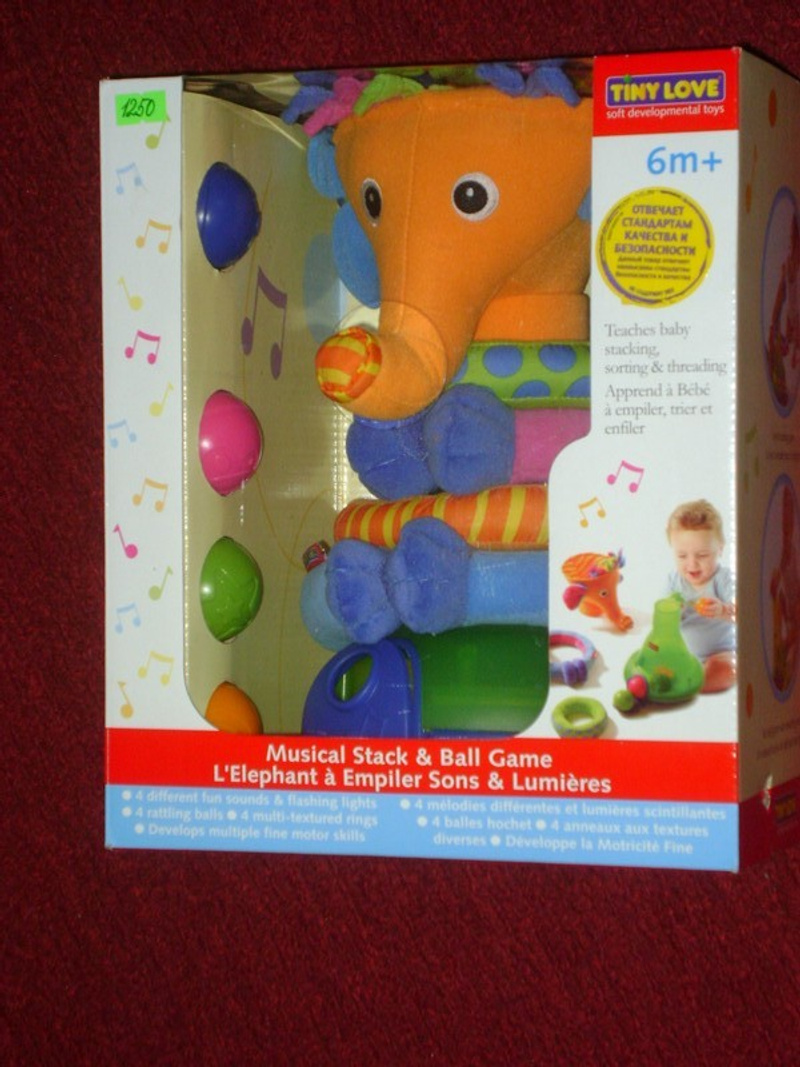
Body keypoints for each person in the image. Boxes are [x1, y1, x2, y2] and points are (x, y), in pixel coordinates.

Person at [665, 499, 735, 693]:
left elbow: (744, 614)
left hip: (719, 654)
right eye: (682, 556)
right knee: (655, 655)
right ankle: (677, 678)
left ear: (720, 549)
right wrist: (672, 612)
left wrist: (722, 610)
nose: (692, 564)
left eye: (702, 555)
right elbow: (662, 618)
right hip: (683, 655)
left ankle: (694, 683)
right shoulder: (674, 580)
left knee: (727, 669)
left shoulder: (723, 579)